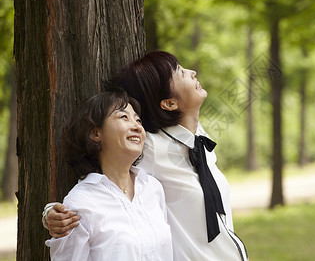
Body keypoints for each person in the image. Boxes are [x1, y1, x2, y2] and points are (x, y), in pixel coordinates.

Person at [44, 51, 248, 261]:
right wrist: (53, 212)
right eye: (180, 72)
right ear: (168, 103)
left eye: (137, 120)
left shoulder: (199, 138)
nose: (192, 72)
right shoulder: (151, 148)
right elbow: (106, 173)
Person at [45, 90, 173, 261]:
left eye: (138, 120)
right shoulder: (79, 204)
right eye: (124, 117)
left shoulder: (153, 188)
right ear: (96, 134)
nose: (137, 126)